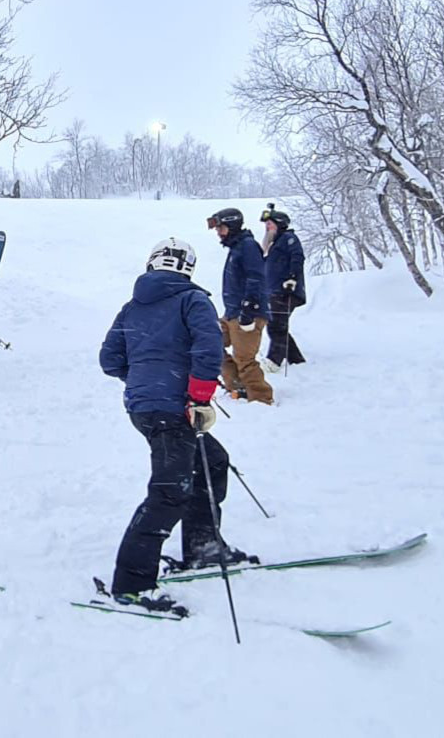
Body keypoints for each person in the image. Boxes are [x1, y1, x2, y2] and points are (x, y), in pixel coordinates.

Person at [96, 237, 253, 614]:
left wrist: (145, 381)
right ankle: (131, 586)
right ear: (188, 268)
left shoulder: (132, 307)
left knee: (212, 461)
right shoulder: (192, 300)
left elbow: (109, 359)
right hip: (175, 408)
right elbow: (208, 348)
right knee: (170, 492)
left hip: (144, 408)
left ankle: (203, 547)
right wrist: (198, 397)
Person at [206, 207, 272, 403]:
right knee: (212, 342)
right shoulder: (237, 247)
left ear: (232, 226)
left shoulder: (248, 246)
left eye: (221, 228)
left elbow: (256, 277)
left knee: (245, 359)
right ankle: (236, 387)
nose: (218, 232)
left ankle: (261, 398)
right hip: (232, 313)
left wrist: (249, 308)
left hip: (247, 313)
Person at [260, 206, 307, 371]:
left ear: (280, 224)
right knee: (277, 324)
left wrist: (292, 278)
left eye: (270, 224)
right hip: (274, 291)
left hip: (287, 290)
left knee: (276, 325)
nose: (267, 228)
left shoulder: (288, 238)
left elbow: (297, 257)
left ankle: (274, 360)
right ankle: (296, 359)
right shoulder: (272, 245)